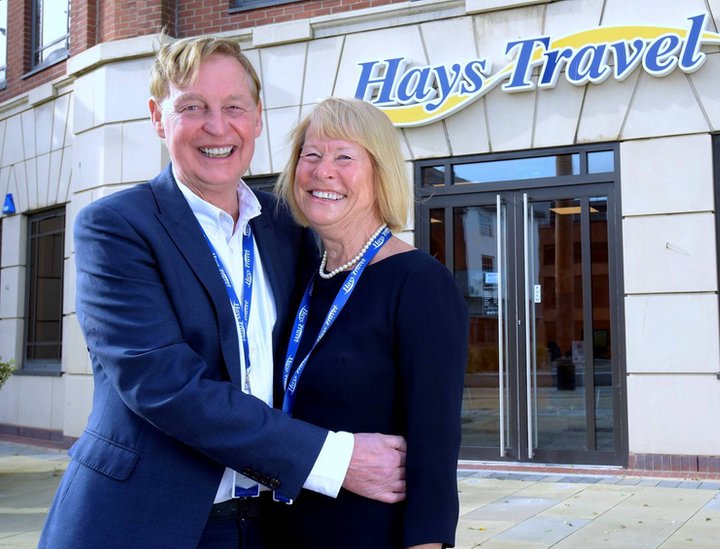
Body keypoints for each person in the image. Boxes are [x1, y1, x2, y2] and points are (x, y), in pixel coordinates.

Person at [39, 37, 407, 549]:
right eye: (193, 107)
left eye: (233, 106)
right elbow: (163, 386)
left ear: (257, 117)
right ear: (158, 118)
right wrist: (334, 459)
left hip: (268, 522)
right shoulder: (116, 227)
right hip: (142, 521)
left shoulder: (285, 225)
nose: (217, 126)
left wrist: (412, 271)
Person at [269, 97, 467, 548]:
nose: (323, 171)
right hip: (285, 529)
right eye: (311, 154)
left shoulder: (419, 283)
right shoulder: (302, 278)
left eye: (345, 157)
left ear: (381, 175)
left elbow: (434, 449)